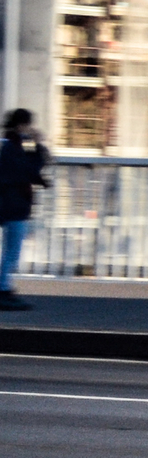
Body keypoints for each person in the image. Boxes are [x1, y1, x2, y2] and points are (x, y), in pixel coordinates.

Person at [0, 109, 49, 311]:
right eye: (28, 125)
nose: (31, 129)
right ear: (21, 125)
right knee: (12, 251)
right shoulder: (11, 147)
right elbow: (30, 169)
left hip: (12, 205)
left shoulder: (11, 145)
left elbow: (29, 168)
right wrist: (39, 146)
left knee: (11, 250)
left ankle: (4, 287)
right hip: (13, 206)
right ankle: (2, 290)